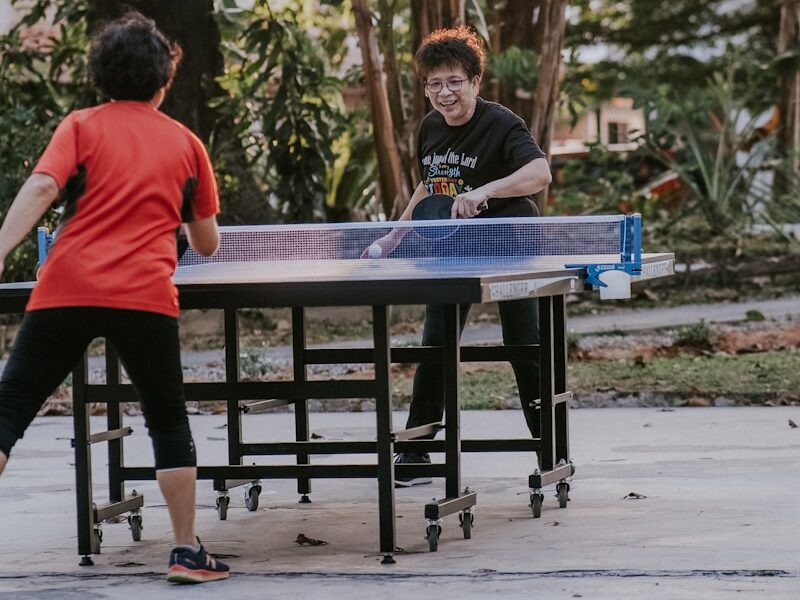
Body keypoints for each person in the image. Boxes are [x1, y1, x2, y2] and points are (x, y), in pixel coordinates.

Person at [0, 13, 229, 583]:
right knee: (167, 420)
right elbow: (207, 241)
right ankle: (185, 552)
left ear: (101, 75)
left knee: (8, 409)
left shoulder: (79, 126)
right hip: (144, 296)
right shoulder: (186, 144)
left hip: (67, 286)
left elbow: (43, 186)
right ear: (164, 80)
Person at [393, 25, 552, 486]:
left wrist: (484, 191)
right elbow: (430, 186)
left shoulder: (502, 122)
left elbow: (539, 172)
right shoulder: (429, 127)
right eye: (434, 84)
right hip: (455, 249)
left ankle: (548, 446)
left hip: (509, 243)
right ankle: (418, 451)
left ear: (475, 82)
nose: (444, 93)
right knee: (435, 342)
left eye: (454, 82)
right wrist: (394, 234)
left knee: (523, 343)